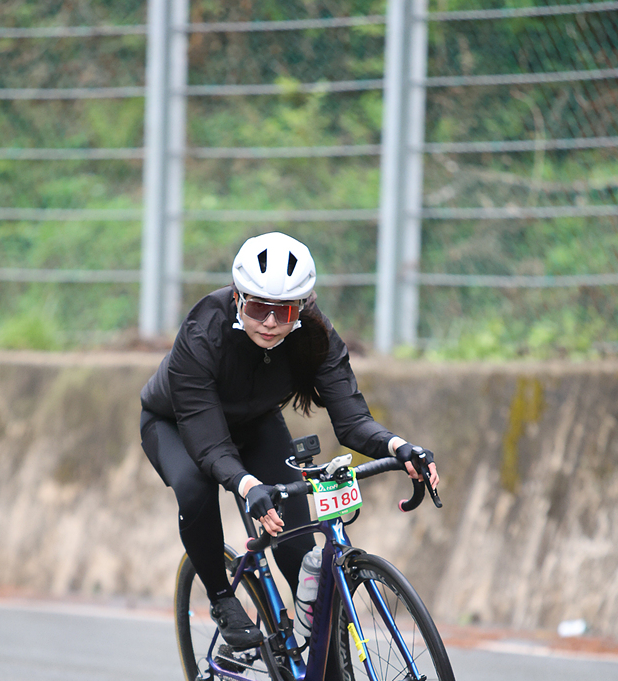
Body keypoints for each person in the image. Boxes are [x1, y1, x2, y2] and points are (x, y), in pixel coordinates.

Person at [139, 231, 440, 649]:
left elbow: (353, 421)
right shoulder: (202, 331)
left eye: (283, 311)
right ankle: (222, 598)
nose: (270, 322)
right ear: (237, 298)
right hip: (176, 423)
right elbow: (209, 445)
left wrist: (399, 447)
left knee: (299, 555)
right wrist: (248, 485)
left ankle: (323, 675)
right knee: (194, 488)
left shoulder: (314, 334)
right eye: (258, 308)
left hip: (256, 424)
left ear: (301, 306)